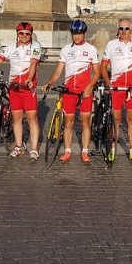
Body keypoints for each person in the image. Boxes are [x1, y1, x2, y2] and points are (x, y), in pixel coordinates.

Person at [0, 22, 42, 159]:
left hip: (28, 88)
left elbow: (33, 64)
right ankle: (19, 146)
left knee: (32, 118)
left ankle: (34, 148)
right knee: (17, 118)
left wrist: (30, 79)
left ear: (31, 35)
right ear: (17, 34)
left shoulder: (35, 46)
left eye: (27, 34)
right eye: (21, 33)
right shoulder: (10, 47)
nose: (24, 36)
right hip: (14, 88)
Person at [42, 19, 100, 163]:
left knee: (85, 122)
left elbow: (97, 72)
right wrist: (50, 82)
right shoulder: (66, 49)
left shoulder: (91, 49)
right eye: (74, 34)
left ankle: (85, 151)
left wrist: (90, 86)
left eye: (79, 34)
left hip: (85, 91)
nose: (77, 36)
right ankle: (67, 150)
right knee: (68, 122)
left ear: (84, 34)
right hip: (69, 90)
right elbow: (58, 70)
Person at [100, 18, 132, 163]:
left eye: (126, 28)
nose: (123, 31)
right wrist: (108, 83)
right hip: (116, 87)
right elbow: (103, 66)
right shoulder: (111, 45)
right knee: (116, 120)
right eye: (121, 28)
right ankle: (112, 149)